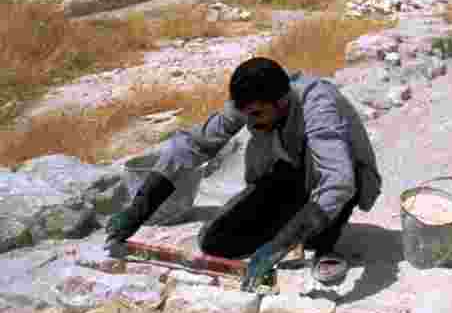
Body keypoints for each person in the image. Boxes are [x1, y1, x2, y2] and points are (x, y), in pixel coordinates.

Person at [105, 57, 382, 291]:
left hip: (339, 179)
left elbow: (338, 180)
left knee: (318, 225)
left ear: (283, 101)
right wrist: (138, 210)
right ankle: (295, 230)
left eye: (257, 115)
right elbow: (191, 145)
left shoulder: (318, 104)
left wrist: (277, 248)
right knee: (217, 242)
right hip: (292, 176)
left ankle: (319, 241)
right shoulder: (250, 103)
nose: (249, 123)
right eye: (245, 115)